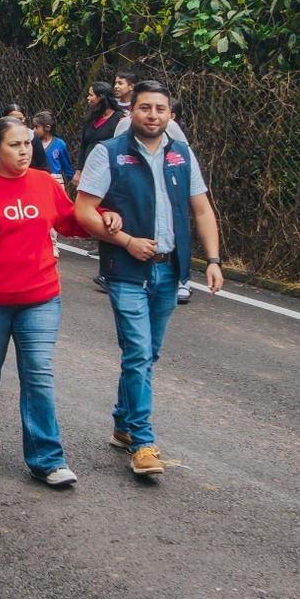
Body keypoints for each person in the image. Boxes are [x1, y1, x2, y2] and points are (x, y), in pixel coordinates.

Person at [74, 79, 225, 479]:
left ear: (171, 115)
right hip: (126, 271)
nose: (153, 115)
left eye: (160, 109)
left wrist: (213, 260)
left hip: (169, 271)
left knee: (147, 353)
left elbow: (202, 209)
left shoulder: (181, 154)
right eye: (145, 108)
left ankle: (123, 424)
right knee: (139, 352)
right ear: (131, 111)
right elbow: (83, 211)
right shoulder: (109, 153)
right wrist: (125, 241)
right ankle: (142, 442)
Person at [0, 117, 97, 487]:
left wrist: (103, 218)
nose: (23, 151)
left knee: (38, 372)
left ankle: (47, 459)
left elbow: (70, 221)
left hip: (40, 296)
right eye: (14, 145)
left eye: (27, 144)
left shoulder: (44, 183)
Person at [32, 111, 74, 195]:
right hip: (37, 180)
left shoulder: (60, 144)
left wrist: (73, 179)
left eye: (36, 127)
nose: (34, 130)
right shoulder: (32, 144)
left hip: (56, 182)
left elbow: (67, 167)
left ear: (47, 128)